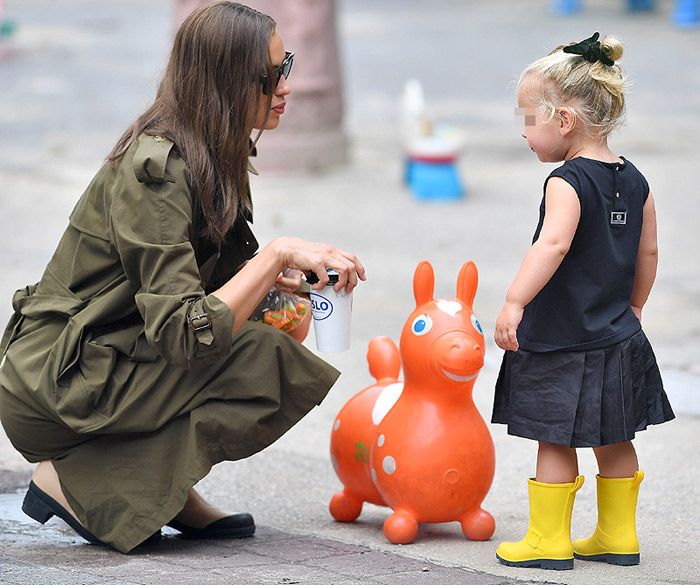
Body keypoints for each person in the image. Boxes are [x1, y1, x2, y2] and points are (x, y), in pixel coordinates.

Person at [0, 1, 365, 554]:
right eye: (271, 76)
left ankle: (163, 491)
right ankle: (76, 486)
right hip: (56, 380)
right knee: (261, 360)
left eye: (284, 65)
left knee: (263, 340)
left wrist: (277, 279)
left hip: (107, 356)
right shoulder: (157, 169)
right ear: (224, 82)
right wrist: (274, 255)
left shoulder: (209, 149)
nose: (287, 85)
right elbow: (183, 333)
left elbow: (197, 285)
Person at [491, 32, 674, 570]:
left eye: (529, 118)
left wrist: (513, 301)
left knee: (555, 439)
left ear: (564, 121)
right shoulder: (636, 181)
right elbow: (649, 250)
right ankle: (618, 536)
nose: (525, 132)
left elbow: (554, 243)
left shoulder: (565, 181)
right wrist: (636, 308)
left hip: (562, 338)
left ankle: (550, 541)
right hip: (617, 334)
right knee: (614, 438)